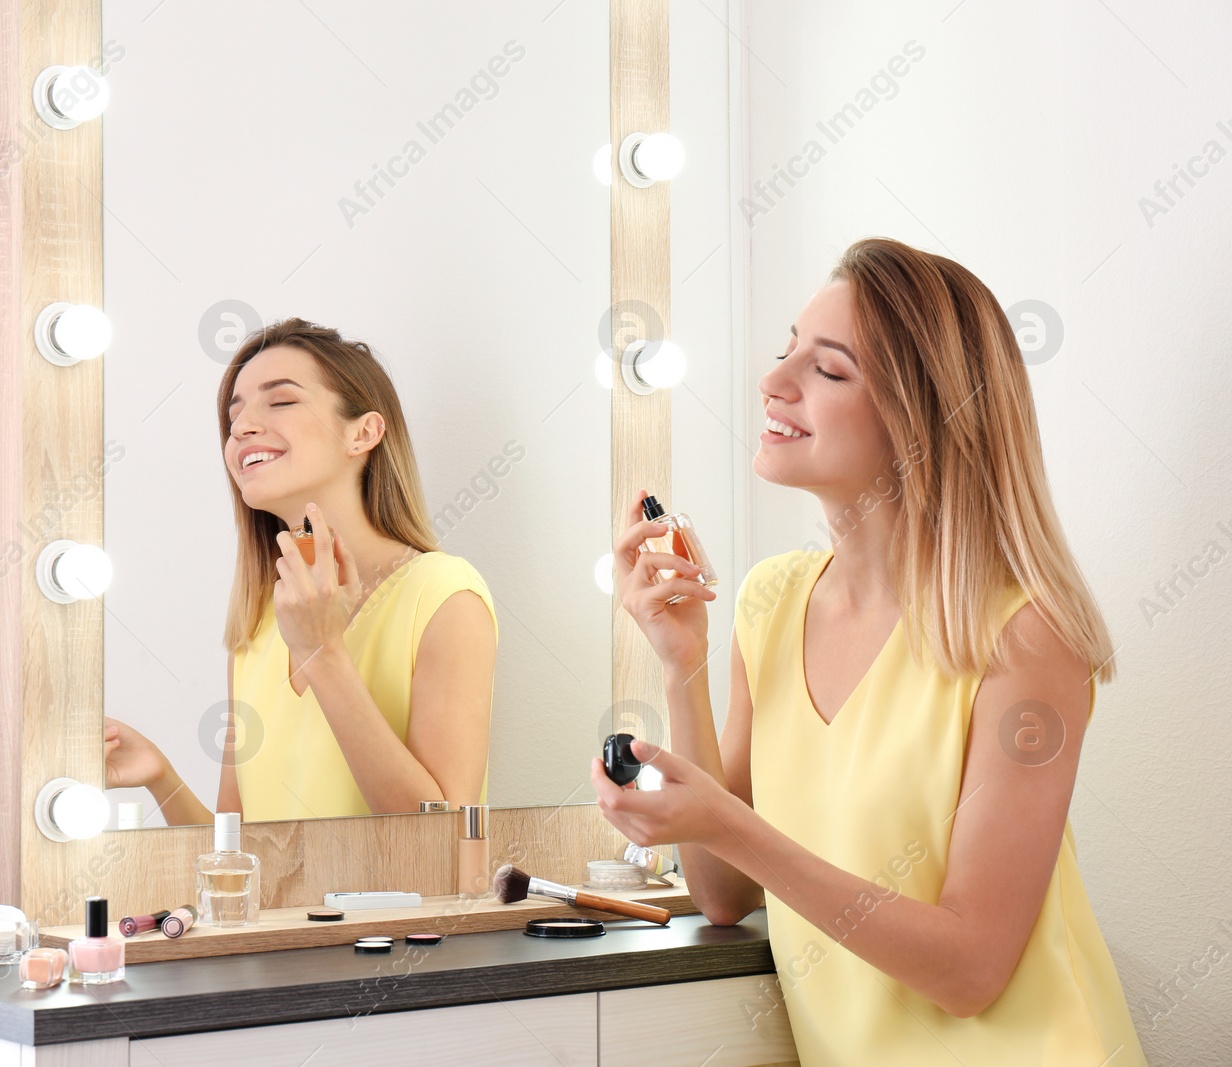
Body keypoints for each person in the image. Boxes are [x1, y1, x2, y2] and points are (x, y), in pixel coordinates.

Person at [592, 238, 1147, 1064]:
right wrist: (683, 666)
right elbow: (722, 891)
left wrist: (730, 823)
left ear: (922, 420)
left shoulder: (1025, 635)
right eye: (786, 351)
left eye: (830, 370)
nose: (773, 382)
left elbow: (971, 968)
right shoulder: (770, 603)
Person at [106, 318, 498, 824]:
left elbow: (443, 836)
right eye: (235, 413)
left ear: (363, 432)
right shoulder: (257, 626)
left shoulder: (444, 598)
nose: (242, 426)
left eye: (281, 401)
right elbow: (238, 860)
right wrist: (161, 777)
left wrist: (322, 651)